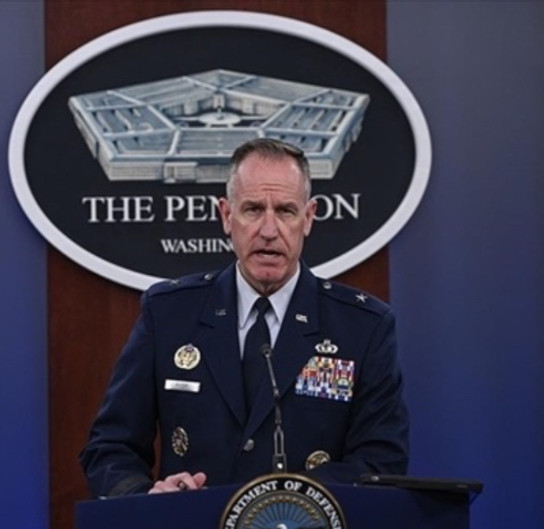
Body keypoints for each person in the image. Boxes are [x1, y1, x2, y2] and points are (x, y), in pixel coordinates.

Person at [80, 138, 409, 497]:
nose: (269, 230)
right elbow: (111, 447)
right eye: (253, 209)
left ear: (308, 218)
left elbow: (381, 462)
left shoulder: (362, 327)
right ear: (226, 215)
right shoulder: (169, 313)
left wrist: (285, 502)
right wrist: (146, 497)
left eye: (285, 211)